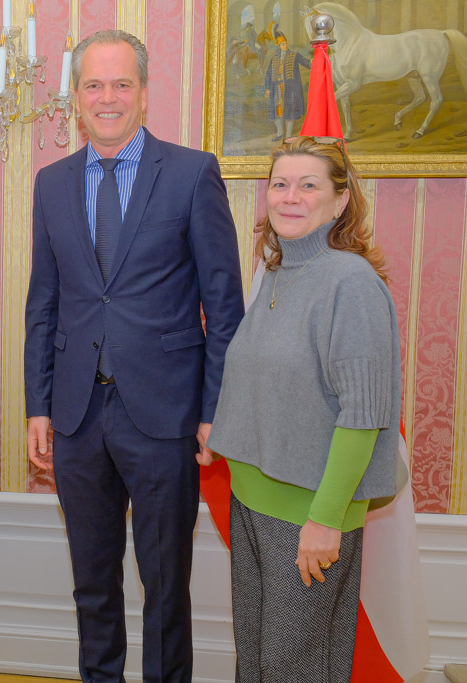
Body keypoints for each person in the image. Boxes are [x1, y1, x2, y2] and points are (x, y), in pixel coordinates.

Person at [23, 30, 245, 682]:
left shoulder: (192, 172)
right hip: (76, 415)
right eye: (94, 85)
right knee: (91, 584)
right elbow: (43, 302)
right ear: (76, 96)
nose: (108, 97)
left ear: (144, 93)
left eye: (121, 84)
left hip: (165, 414)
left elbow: (224, 306)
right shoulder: (51, 182)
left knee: (165, 586)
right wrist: (38, 405)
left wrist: (214, 410)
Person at [204, 136, 401, 682]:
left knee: (295, 668)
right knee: (258, 662)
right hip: (252, 500)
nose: (290, 197)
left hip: (308, 514)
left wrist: (326, 519)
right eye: (280, 184)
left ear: (340, 201)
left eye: (308, 185)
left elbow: (362, 415)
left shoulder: (351, 283)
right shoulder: (277, 272)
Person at [264, 34, 311, 141]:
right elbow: (268, 74)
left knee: (290, 111)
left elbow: (306, 62)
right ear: (279, 46)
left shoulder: (294, 55)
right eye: (283, 44)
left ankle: (289, 135)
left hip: (290, 89)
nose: (285, 45)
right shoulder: (274, 58)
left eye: (286, 43)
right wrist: (267, 88)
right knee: (277, 111)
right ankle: (280, 133)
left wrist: (314, 61)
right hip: (276, 88)